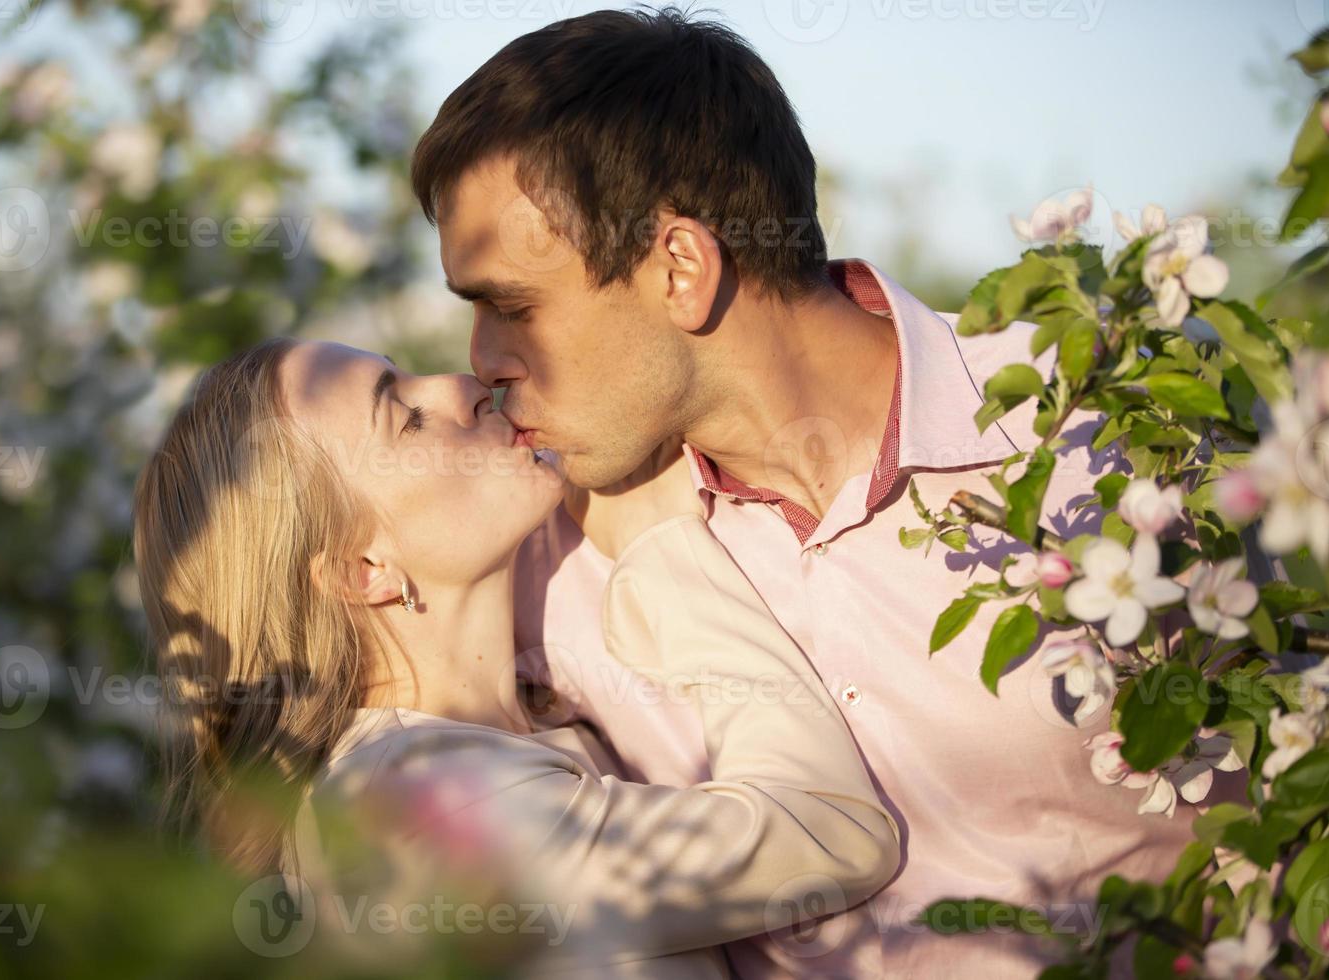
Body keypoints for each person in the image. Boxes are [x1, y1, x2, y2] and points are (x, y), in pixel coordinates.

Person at [410, 7, 1205, 975]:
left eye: (512, 306)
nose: (481, 360)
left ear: (681, 267)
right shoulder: (539, 551)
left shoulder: (1099, 428)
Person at [131, 337, 900, 976]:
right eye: (405, 417)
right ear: (361, 570)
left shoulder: (506, 736)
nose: (462, 386)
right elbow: (831, 833)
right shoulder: (420, 811)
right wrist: (658, 543)